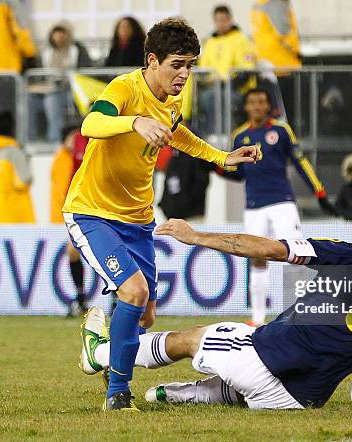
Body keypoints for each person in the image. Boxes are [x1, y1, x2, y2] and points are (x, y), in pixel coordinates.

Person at [62, 17, 261, 412]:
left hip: (138, 219)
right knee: (133, 292)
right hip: (92, 212)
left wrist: (222, 156)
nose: (184, 74)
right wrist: (135, 122)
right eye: (177, 64)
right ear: (152, 60)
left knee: (146, 315)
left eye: (189, 65)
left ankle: (98, 352)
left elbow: (179, 133)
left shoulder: (170, 102)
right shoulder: (124, 88)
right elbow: (91, 122)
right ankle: (117, 394)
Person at [80, 204, 352, 410]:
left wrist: (197, 237)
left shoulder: (351, 254)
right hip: (300, 399)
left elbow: (268, 249)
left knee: (194, 338)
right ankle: (174, 394)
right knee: (240, 371)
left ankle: (102, 352)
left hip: (261, 362)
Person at [218, 88, 334, 327]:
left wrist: (319, 190)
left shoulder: (281, 130)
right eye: (253, 102)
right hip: (254, 206)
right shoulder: (239, 136)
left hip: (282, 202)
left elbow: (299, 160)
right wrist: (216, 167)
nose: (258, 106)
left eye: (262, 102)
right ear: (247, 107)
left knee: (297, 255)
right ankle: (258, 319)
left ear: (268, 106)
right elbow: (239, 173)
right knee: (256, 258)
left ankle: (300, 313)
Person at [195, 5, 256, 135]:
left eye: (224, 20)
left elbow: (246, 69)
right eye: (218, 20)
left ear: (230, 20)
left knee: (216, 97)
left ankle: (224, 135)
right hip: (212, 88)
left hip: (236, 89)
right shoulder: (210, 42)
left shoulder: (241, 40)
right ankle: (211, 135)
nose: (221, 24)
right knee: (205, 97)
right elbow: (203, 70)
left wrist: (223, 83)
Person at [28, 22, 92, 142]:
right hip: (47, 88)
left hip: (70, 90)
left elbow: (85, 72)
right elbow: (38, 75)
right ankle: (30, 137)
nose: (59, 38)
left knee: (52, 100)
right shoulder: (45, 53)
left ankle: (54, 138)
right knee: (29, 99)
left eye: (62, 35)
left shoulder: (77, 51)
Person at [50, 125, 90, 316]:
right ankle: (81, 298)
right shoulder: (79, 138)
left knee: (111, 253)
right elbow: (67, 148)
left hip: (106, 203)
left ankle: (117, 300)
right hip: (82, 204)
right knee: (72, 250)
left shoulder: (115, 138)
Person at [251, 0, 301, 123]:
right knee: (286, 111)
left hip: (267, 61)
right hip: (283, 64)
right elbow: (284, 32)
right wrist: (297, 51)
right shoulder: (276, 3)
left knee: (272, 109)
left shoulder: (260, 4)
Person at [158, 149, 210, 222]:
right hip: (172, 218)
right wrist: (164, 205)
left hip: (192, 217)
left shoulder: (197, 155)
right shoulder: (174, 157)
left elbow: (201, 183)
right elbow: (168, 184)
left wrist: (185, 203)